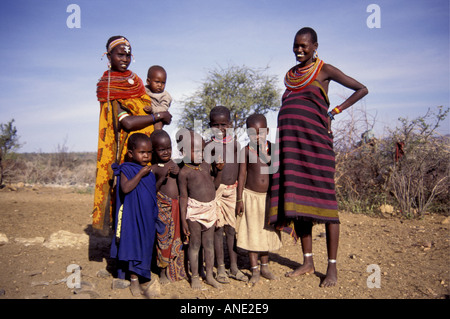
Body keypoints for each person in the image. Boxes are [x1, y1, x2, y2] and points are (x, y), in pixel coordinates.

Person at [269, 27, 368, 287]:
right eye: (295, 45)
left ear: (315, 46)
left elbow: (361, 89)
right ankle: (308, 262)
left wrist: (334, 111)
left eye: (304, 46)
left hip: (316, 147)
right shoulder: (290, 75)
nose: (299, 50)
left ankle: (332, 268)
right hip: (291, 147)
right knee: (300, 205)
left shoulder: (325, 70)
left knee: (326, 204)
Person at [93, 36, 172, 234]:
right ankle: (125, 254)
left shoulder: (136, 82)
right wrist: (159, 116)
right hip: (128, 157)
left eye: (128, 55)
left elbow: (148, 106)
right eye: (120, 54)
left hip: (148, 153)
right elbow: (126, 122)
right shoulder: (109, 86)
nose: (124, 59)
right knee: (128, 207)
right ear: (108, 55)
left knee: (148, 202)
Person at [110, 133, 163, 296]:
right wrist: (140, 174)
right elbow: (125, 188)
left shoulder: (150, 171)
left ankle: (142, 274)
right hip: (132, 216)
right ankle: (133, 280)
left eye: (149, 152)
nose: (146, 155)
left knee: (146, 244)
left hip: (147, 216)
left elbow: (151, 191)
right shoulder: (126, 169)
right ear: (131, 153)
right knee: (133, 244)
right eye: (142, 152)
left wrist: (161, 178)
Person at [236, 114, 282, 285]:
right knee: (252, 233)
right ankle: (254, 270)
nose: (257, 136)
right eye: (252, 133)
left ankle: (265, 267)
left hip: (268, 198)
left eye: (261, 132)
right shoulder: (246, 151)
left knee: (265, 233)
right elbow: (242, 176)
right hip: (251, 197)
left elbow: (278, 172)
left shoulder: (274, 149)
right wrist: (239, 200)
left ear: (267, 131)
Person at [206, 106, 247, 283]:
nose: (221, 128)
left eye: (224, 124)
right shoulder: (208, 146)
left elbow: (240, 173)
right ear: (210, 126)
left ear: (230, 124)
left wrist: (239, 197)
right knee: (217, 229)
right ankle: (221, 267)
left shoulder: (236, 145)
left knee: (231, 230)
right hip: (215, 191)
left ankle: (234, 267)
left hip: (232, 191)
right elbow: (206, 173)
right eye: (216, 125)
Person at [177, 130, 223, 290]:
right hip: (194, 212)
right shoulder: (184, 173)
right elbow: (183, 197)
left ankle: (209, 275)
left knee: (209, 244)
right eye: (195, 151)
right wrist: (183, 220)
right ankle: (195, 277)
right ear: (183, 152)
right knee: (195, 245)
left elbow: (214, 185)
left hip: (210, 209)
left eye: (202, 150)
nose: (200, 154)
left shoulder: (206, 165)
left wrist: (220, 170)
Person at [150, 130, 186, 284]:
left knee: (177, 238)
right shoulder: (153, 168)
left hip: (177, 207)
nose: (166, 152)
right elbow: (152, 191)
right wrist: (162, 178)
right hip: (162, 207)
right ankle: (162, 271)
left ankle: (176, 270)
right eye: (161, 149)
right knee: (163, 240)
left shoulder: (176, 164)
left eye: (168, 148)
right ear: (153, 150)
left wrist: (179, 173)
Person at [144, 65, 172, 131]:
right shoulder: (144, 90)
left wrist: (152, 109)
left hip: (158, 116)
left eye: (163, 83)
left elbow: (164, 108)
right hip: (146, 115)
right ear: (148, 81)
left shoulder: (165, 95)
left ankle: (157, 137)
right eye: (157, 82)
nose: (160, 85)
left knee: (158, 125)